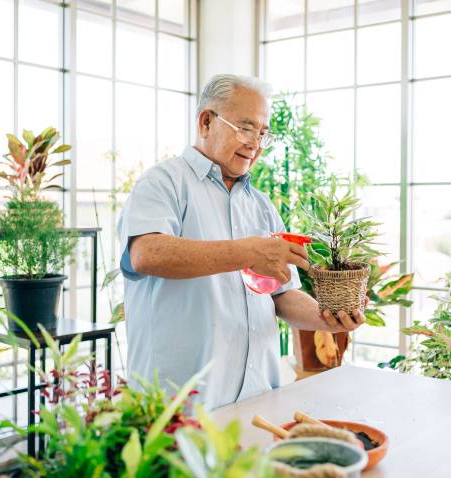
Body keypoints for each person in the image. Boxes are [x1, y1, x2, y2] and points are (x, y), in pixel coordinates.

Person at [118, 74, 364, 409]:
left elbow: (282, 294)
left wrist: (326, 317)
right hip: (178, 410)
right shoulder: (162, 183)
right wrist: (248, 252)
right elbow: (147, 253)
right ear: (206, 122)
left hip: (258, 399)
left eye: (263, 133)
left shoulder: (261, 205)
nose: (256, 143)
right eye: (246, 128)